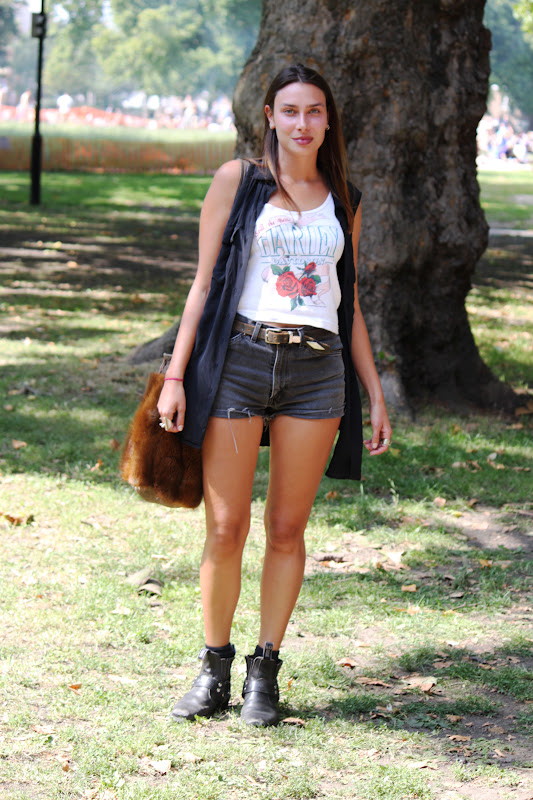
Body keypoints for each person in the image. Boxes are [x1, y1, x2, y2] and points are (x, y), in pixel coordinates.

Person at [157, 63, 392, 727]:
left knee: (286, 528)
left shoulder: (343, 197)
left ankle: (265, 672)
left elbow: (348, 303)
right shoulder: (238, 182)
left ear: (328, 119)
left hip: (316, 372)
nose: (302, 123)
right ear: (269, 116)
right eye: (290, 110)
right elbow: (203, 284)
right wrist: (175, 377)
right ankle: (213, 668)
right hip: (239, 360)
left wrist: (374, 392)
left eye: (314, 111)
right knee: (226, 526)